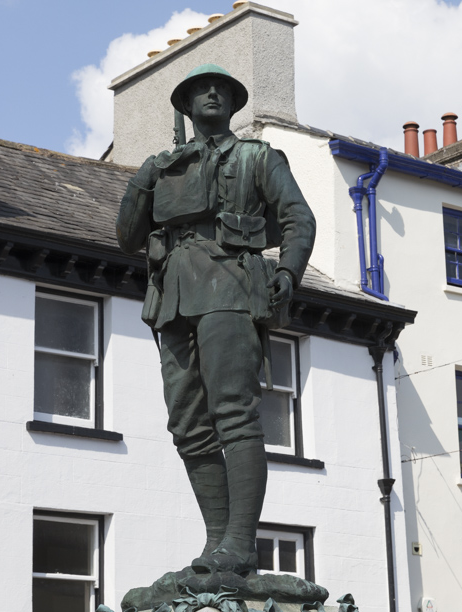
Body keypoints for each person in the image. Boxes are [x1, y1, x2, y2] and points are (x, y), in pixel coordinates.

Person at [115, 64, 316, 575]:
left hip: (230, 284)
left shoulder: (257, 157)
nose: (211, 94)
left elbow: (298, 217)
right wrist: (145, 176)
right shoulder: (162, 168)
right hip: (173, 298)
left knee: (233, 413)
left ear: (232, 103)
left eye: (221, 90)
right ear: (184, 107)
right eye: (200, 90)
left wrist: (288, 272)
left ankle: (241, 542)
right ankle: (218, 543)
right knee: (187, 424)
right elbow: (126, 235)